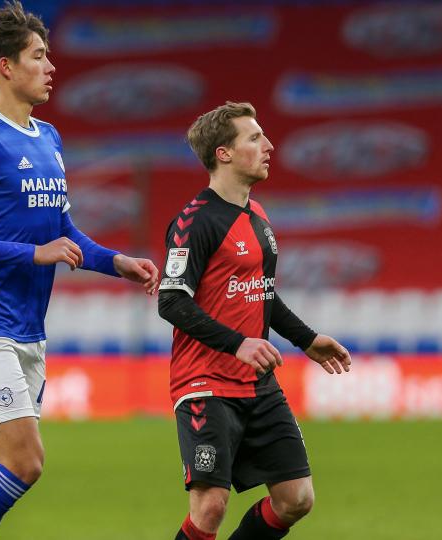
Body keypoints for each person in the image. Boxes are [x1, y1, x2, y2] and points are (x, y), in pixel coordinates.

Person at [0, 3, 159, 539]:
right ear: (6, 67)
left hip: (28, 326)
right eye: (38, 56)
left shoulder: (48, 138)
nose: (51, 66)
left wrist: (115, 263)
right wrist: (33, 254)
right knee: (26, 463)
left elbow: (65, 234)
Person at [158, 102, 352, 540]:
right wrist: (237, 343)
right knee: (210, 507)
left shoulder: (258, 217)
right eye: (254, 138)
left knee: (296, 498)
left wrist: (306, 339)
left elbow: (261, 292)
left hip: (257, 384)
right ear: (224, 153)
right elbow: (171, 302)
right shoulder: (194, 222)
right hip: (205, 383)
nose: (268, 146)